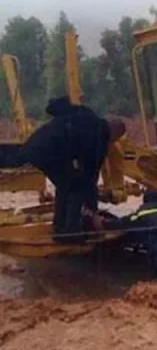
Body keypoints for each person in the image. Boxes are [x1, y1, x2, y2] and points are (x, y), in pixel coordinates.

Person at [19, 96, 126, 243]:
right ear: (114, 132)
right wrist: (92, 210)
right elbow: (90, 175)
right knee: (75, 187)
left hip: (36, 148)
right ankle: (71, 232)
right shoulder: (100, 135)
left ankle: (60, 230)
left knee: (65, 186)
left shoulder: (86, 117)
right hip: (49, 151)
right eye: (114, 139)